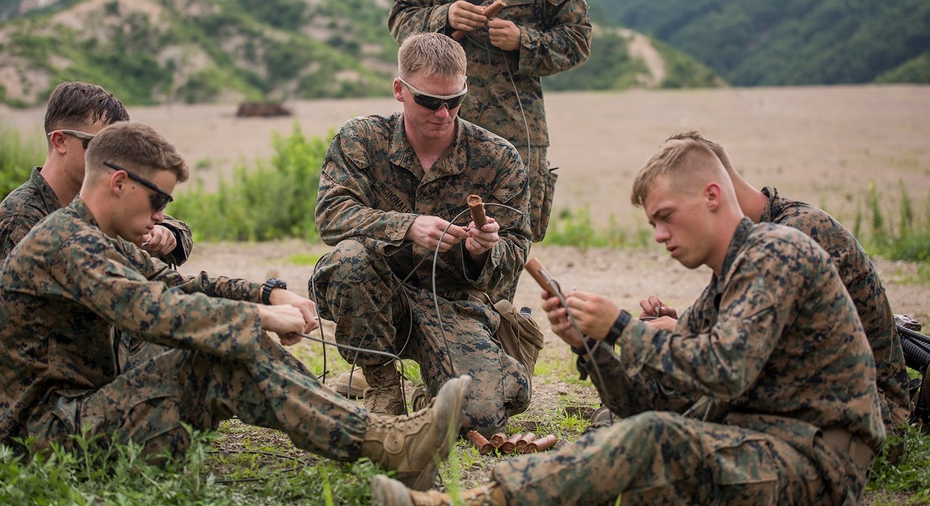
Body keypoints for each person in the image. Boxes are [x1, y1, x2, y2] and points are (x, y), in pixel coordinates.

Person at [373, 137, 884, 505]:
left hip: (819, 465)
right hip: (760, 446)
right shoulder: (725, 281)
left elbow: (725, 369)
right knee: (642, 444)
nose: (659, 235)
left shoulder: (778, 251)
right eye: (652, 223)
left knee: (654, 442)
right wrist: (589, 346)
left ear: (711, 196)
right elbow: (642, 404)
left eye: (665, 216)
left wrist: (619, 326)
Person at [0, 121, 471, 491]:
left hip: (74, 417)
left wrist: (267, 294)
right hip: (41, 441)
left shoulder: (92, 235)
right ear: (119, 181)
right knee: (218, 355)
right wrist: (257, 318)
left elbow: (184, 288)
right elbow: (149, 310)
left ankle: (386, 441)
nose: (161, 215)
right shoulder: (68, 242)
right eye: (158, 200)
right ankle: (386, 446)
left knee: (230, 338)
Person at [310, 32, 532, 436]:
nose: (443, 113)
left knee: (478, 417)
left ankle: (439, 385)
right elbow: (331, 214)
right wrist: (406, 226)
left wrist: (484, 252)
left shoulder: (498, 157)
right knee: (348, 260)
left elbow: (518, 244)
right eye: (429, 101)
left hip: (455, 304)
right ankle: (380, 382)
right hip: (376, 294)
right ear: (400, 90)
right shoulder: (362, 139)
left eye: (454, 100)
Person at [632, 130, 912, 439]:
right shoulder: (747, 245)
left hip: (870, 412)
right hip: (811, 395)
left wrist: (672, 335)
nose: (661, 233)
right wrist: (680, 326)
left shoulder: (798, 234)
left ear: (711, 190)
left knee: (704, 403)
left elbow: (742, 356)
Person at [388, 0, 591, 242]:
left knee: (506, 238)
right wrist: (443, 17)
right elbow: (400, 20)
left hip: (513, 126)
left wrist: (523, 41)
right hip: (436, 120)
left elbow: (579, 39)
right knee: (435, 235)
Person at [0, 81, 193, 327]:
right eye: (98, 145)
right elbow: (13, 327)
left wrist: (167, 235)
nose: (114, 160)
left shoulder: (92, 200)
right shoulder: (21, 218)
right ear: (59, 142)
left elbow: (177, 230)